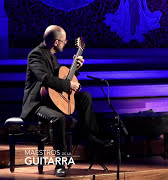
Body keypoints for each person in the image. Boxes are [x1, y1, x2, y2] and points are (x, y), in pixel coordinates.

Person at [20, 25, 113, 177]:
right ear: (56, 42)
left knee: (85, 97)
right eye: (64, 41)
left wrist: (74, 69)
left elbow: (60, 78)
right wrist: (70, 84)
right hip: (37, 104)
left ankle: (89, 136)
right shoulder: (36, 55)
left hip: (51, 100)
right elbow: (47, 79)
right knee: (58, 118)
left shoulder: (51, 55)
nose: (66, 43)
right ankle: (60, 164)